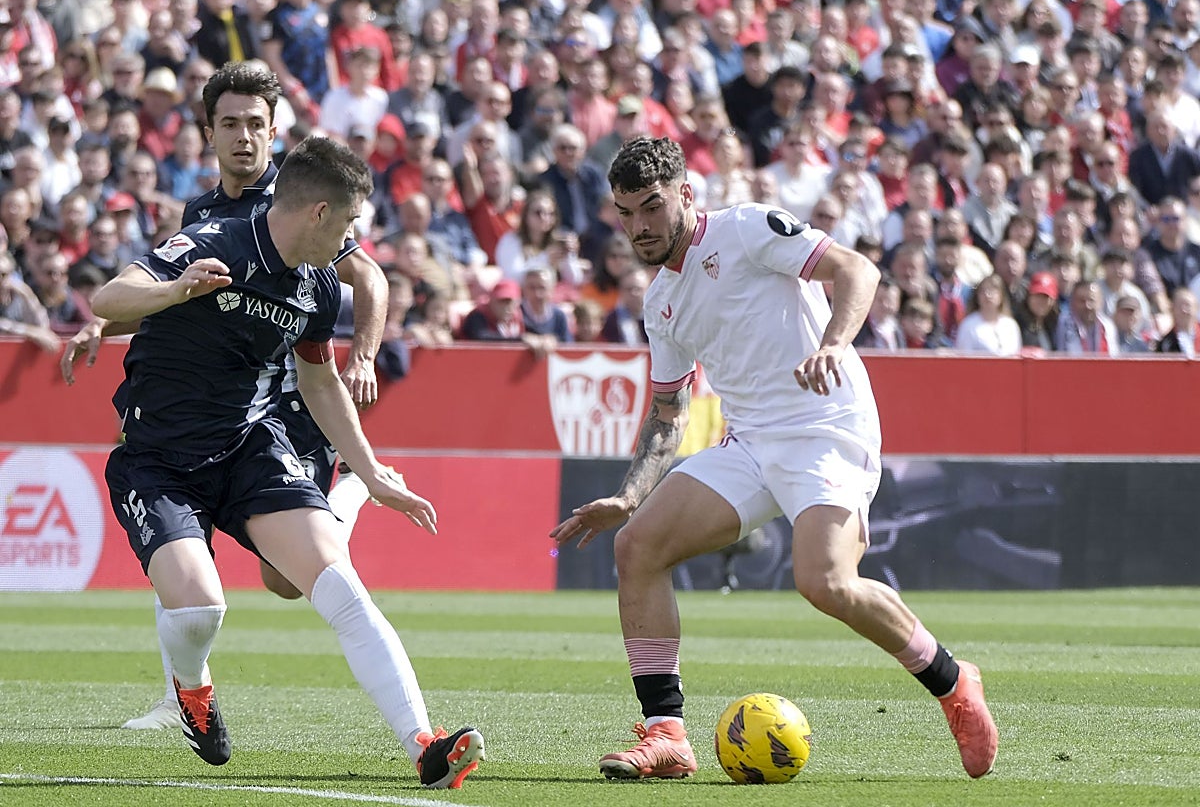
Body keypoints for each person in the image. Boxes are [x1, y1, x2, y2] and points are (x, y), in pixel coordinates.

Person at [551, 136, 997, 782]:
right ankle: (667, 735)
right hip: (751, 441)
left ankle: (954, 682)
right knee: (636, 546)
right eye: (625, 213)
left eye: (651, 206)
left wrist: (833, 344)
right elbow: (668, 415)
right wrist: (628, 496)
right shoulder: (660, 302)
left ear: (684, 194)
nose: (639, 226)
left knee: (826, 582)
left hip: (826, 425)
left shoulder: (747, 228)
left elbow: (857, 270)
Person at [88, 134, 484, 787]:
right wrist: (176, 290)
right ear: (320, 213)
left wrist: (373, 474)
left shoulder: (319, 288)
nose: (352, 239)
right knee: (200, 610)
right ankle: (191, 688)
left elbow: (320, 383)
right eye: (350, 222)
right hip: (158, 461)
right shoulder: (217, 241)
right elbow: (109, 299)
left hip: (249, 449)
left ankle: (425, 745)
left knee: (337, 582)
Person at [59, 62, 389, 731]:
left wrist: (364, 353)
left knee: (284, 580)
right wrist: (104, 325)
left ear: (274, 131)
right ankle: (181, 691)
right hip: (219, 403)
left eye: (256, 125)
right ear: (208, 133)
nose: (244, 137)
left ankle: (351, 490)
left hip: (286, 398)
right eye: (230, 124)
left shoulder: (298, 204)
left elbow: (370, 277)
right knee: (188, 547)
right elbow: (180, 300)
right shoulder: (204, 214)